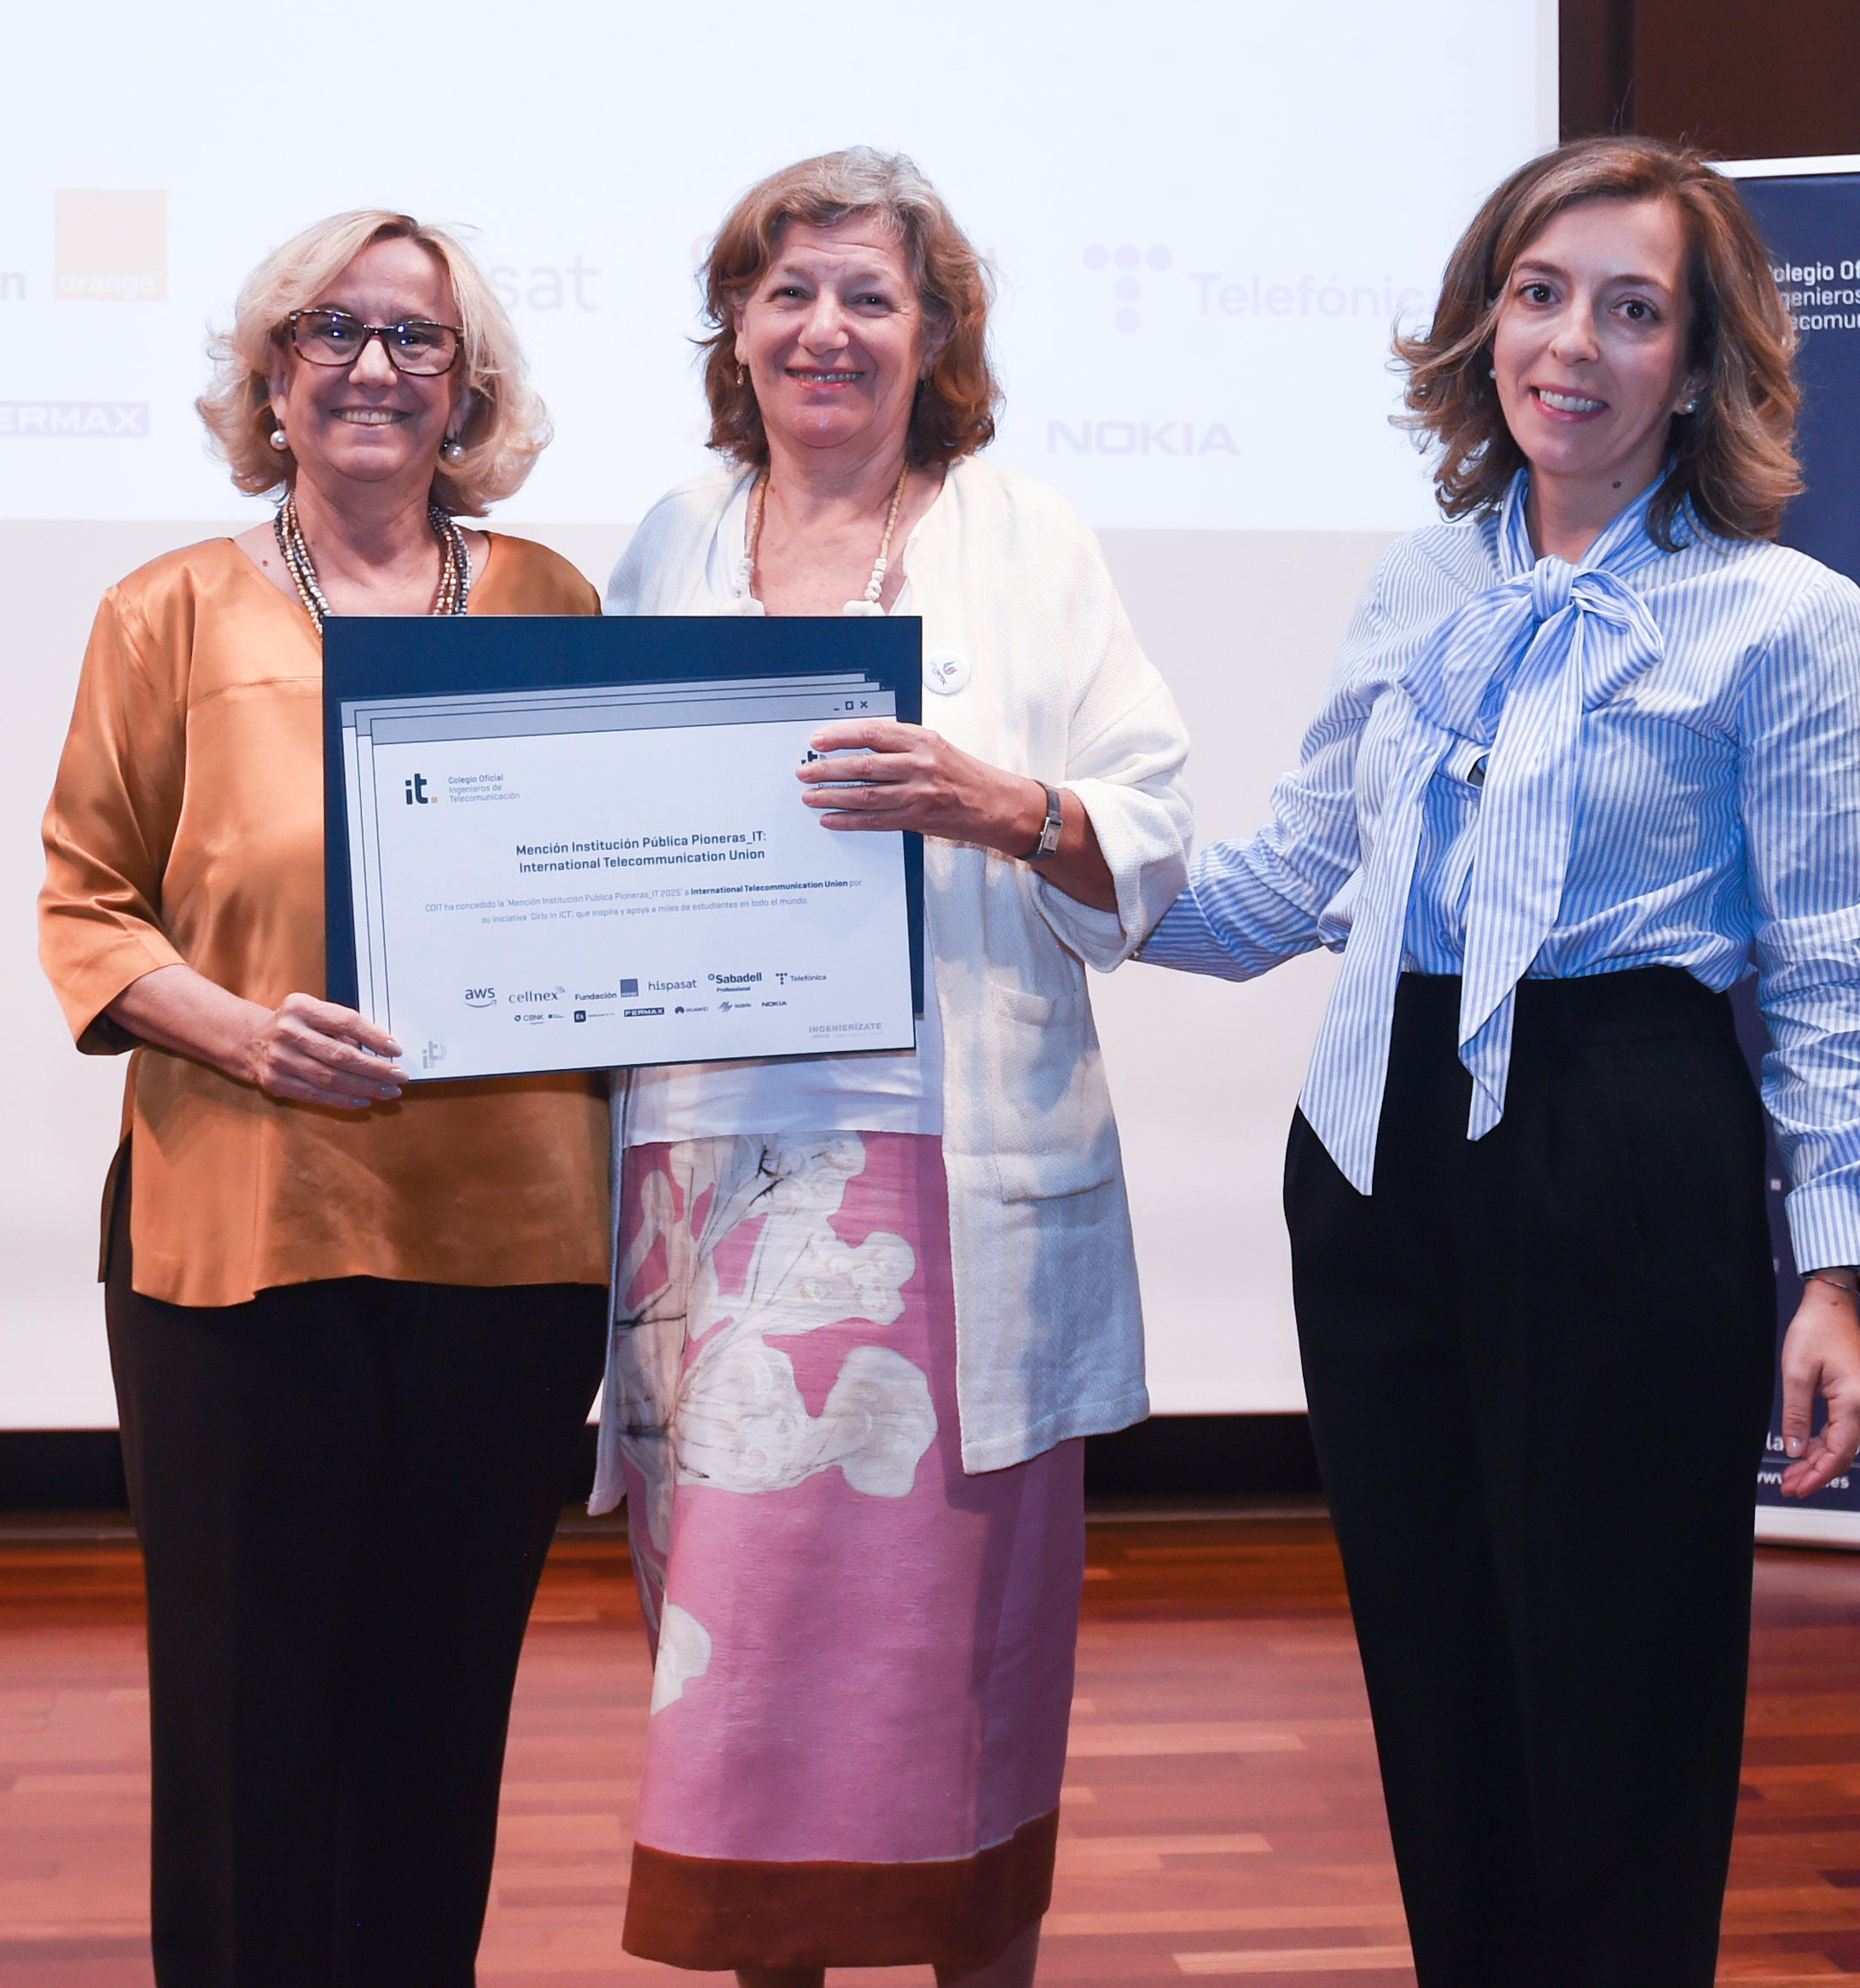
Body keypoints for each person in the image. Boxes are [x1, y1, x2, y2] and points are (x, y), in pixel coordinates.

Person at [1134, 136, 1860, 1985]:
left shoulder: (1788, 618)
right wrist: (1043, 836)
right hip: (1378, 1143)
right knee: (1439, 1670)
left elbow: (1831, 963)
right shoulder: (1421, 583)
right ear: (1487, 323)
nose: (1573, 343)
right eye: (1541, 295)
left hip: (1624, 1135)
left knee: (1624, 1683)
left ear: (1697, 364)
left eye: (1632, 311)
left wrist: (1833, 1271)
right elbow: (1287, 882)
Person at [587, 148, 1193, 1988]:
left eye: (870, 294)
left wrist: (1003, 804)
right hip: (706, 1185)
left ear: (935, 339)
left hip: (947, 1195)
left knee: (958, 1676)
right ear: (735, 328)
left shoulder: (1028, 538)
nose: (825, 329)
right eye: (788, 291)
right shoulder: (666, 540)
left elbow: (1152, 820)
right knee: (736, 1674)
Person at [36, 211, 609, 1988]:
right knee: (244, 1716)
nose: (374, 365)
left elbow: (612, 886)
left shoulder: (552, 600)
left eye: (417, 337)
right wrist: (238, 1031)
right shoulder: (165, 612)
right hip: (240, 1242)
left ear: (468, 386)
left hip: (510, 1251)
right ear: (271, 372)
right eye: (332, 329)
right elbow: (86, 907)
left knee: (441, 1710)